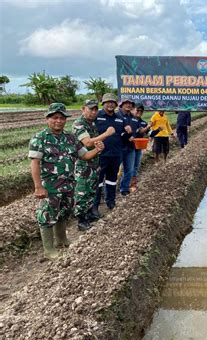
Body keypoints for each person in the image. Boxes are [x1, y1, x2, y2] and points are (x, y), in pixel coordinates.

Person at [29, 103, 104, 260]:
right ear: (47, 119)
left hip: (69, 185)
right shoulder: (40, 138)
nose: (59, 121)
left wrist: (97, 150)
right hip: (50, 187)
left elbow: (84, 156)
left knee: (63, 213)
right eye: (55, 117)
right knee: (46, 215)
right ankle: (49, 250)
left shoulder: (71, 138)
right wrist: (38, 187)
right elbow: (34, 163)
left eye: (62, 118)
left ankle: (62, 240)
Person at [72, 99, 115, 231]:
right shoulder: (79, 124)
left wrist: (99, 146)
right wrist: (106, 134)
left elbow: (94, 143)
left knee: (91, 190)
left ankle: (89, 213)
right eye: (91, 109)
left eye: (96, 109)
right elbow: (88, 143)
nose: (93, 112)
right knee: (82, 192)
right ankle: (81, 219)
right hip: (83, 165)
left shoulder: (92, 124)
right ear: (83, 109)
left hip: (94, 163)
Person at [93, 93, 132, 210]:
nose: (110, 104)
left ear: (116, 105)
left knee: (112, 179)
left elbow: (123, 136)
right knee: (98, 180)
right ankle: (95, 204)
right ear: (103, 103)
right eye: (108, 102)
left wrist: (128, 133)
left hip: (116, 154)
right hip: (100, 155)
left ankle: (111, 201)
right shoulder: (97, 116)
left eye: (113, 102)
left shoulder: (120, 118)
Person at [117, 98, 137, 196]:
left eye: (130, 104)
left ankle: (124, 188)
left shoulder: (133, 117)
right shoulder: (117, 116)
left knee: (129, 169)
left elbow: (135, 131)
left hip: (131, 147)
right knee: (114, 170)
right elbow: (116, 131)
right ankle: (108, 191)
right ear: (121, 105)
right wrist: (125, 136)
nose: (128, 105)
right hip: (119, 147)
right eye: (126, 103)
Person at [130, 102, 151, 192]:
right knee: (128, 166)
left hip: (138, 147)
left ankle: (133, 184)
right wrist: (145, 129)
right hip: (128, 147)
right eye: (137, 110)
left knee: (136, 166)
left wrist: (156, 130)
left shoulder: (143, 122)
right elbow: (138, 132)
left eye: (141, 111)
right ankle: (124, 184)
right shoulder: (129, 120)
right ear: (133, 110)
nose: (139, 112)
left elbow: (147, 133)